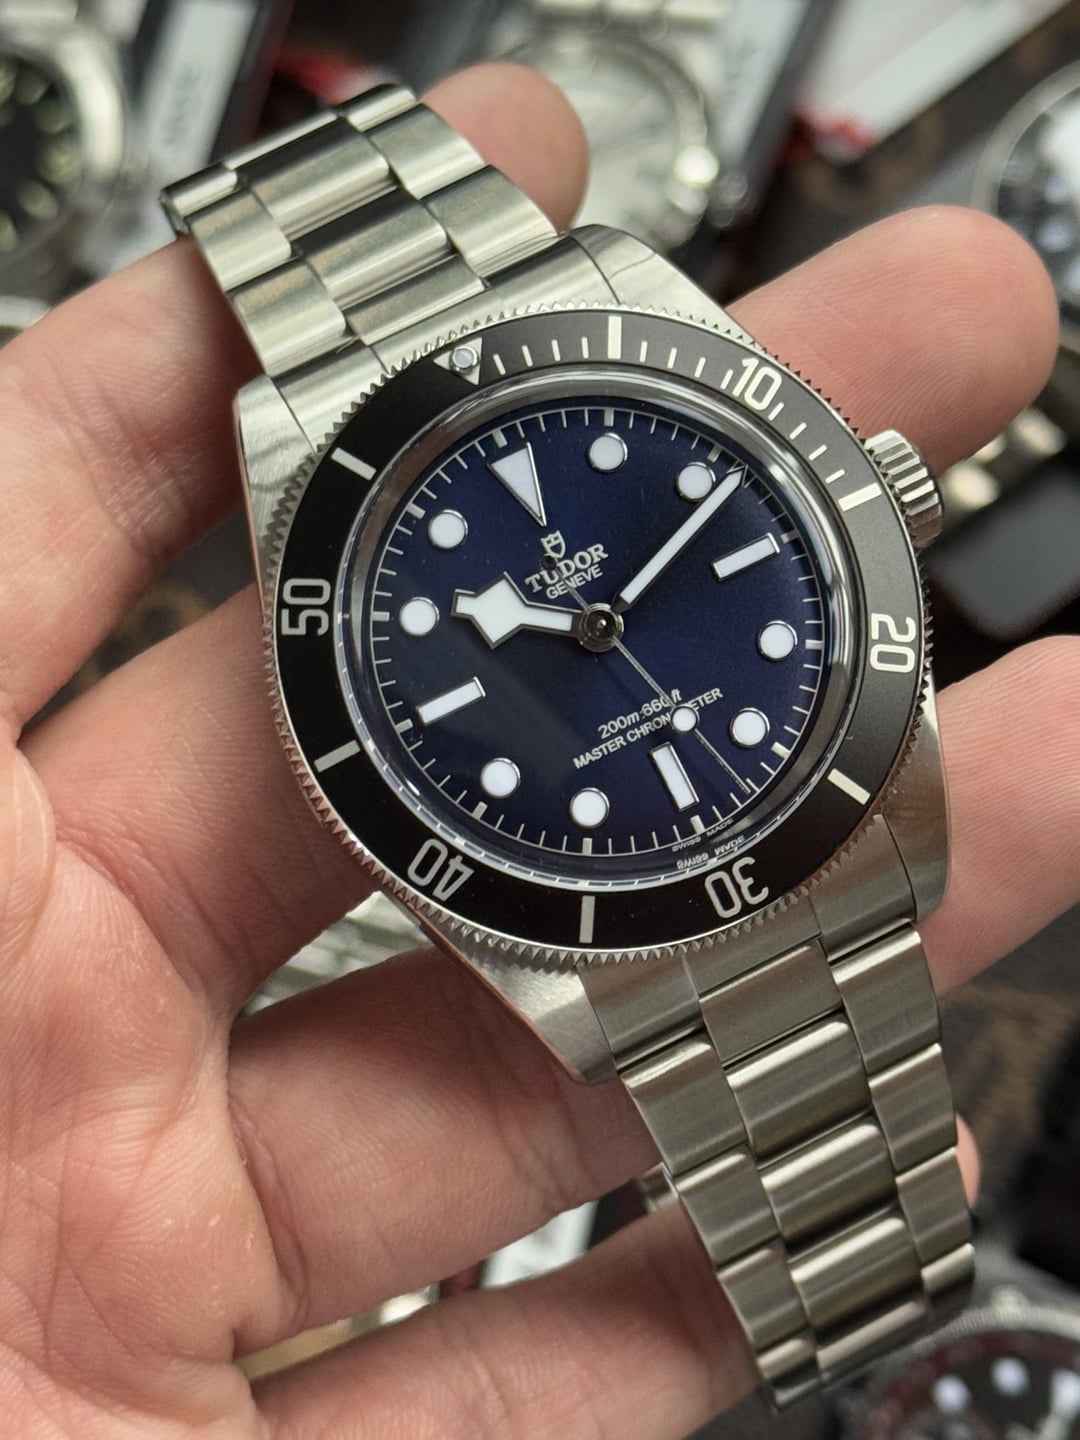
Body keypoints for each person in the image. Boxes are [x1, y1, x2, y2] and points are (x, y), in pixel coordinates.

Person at [0, 63, 1074, 1439]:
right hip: (609, 873)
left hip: (756, 817)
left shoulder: (628, 335)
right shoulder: (334, 502)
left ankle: (864, 1308)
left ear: (874, 492)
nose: (600, 622)